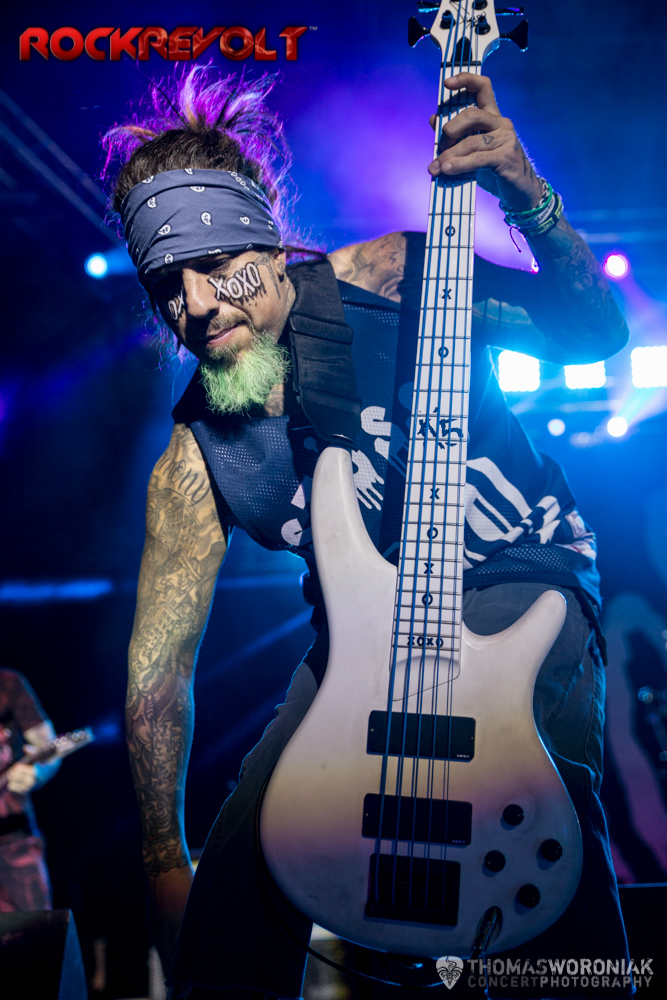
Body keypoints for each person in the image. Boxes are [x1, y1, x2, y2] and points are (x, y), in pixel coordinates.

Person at [105, 66, 631, 998]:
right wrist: (162, 861)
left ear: (268, 244)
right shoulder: (195, 460)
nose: (196, 305)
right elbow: (157, 677)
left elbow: (593, 336)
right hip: (362, 644)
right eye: (167, 287)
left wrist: (526, 195)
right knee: (240, 886)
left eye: (215, 266)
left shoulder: (395, 278)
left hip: (518, 569)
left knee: (532, 799)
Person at [0, 668, 60, 912]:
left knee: (35, 929)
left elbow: (50, 748)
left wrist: (37, 773)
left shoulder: (8, 684)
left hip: (15, 841)